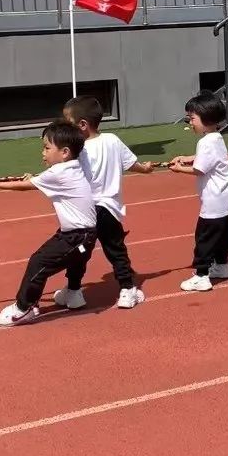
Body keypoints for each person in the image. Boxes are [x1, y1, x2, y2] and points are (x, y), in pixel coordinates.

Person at [0, 120, 98, 327]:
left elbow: (24, 186)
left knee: (38, 262)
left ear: (65, 153)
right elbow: (45, 181)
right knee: (76, 261)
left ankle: (24, 308)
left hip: (78, 235)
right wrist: (34, 178)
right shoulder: (73, 167)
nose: (43, 152)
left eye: (47, 148)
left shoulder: (58, 172)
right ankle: (74, 294)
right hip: (82, 234)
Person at [62, 96, 152, 309]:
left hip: (85, 212)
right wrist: (145, 169)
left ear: (82, 124)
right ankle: (127, 289)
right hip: (108, 211)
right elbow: (131, 164)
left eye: (68, 122)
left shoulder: (77, 150)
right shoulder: (112, 140)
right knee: (115, 250)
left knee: (80, 252)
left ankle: (74, 291)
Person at [169, 92, 228, 292]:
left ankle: (201, 275)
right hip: (227, 198)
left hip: (213, 202)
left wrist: (179, 168)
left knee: (204, 238)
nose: (190, 123)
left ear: (206, 118)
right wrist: (189, 157)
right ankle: (222, 265)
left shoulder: (205, 142)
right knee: (224, 235)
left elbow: (200, 169)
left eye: (192, 118)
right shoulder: (216, 138)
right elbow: (211, 158)